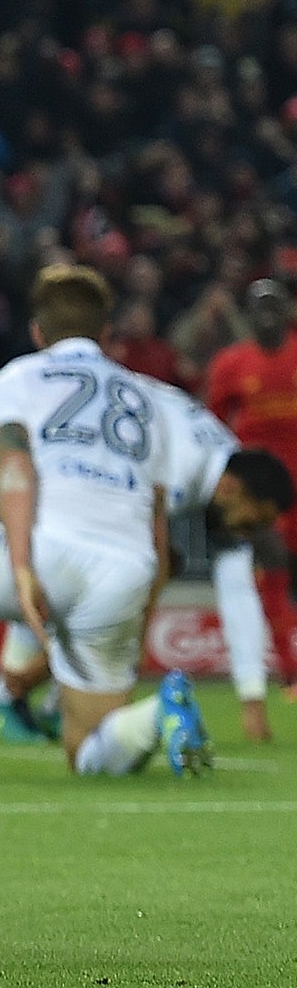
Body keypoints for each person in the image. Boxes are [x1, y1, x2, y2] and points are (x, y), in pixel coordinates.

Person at [0, 265, 210, 777]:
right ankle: (160, 713)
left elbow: (15, 467)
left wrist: (22, 568)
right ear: (107, 335)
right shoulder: (147, 399)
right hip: (124, 568)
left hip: (48, 550)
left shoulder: (16, 379)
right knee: (88, 754)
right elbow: (156, 513)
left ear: (37, 332)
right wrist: (144, 602)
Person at [0, 386, 295, 745]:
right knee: (79, 578)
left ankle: (52, 699)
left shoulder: (221, 462)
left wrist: (252, 700)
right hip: (41, 450)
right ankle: (8, 693)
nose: (249, 532)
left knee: (111, 588)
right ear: (231, 489)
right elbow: (141, 577)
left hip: (93, 456)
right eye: (251, 520)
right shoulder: (177, 470)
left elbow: (237, 590)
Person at [203, 278, 297, 692]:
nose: (265, 316)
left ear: (287, 311)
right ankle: (289, 668)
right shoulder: (231, 364)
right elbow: (212, 427)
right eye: (257, 307)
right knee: (273, 569)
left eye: (273, 306)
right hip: (262, 495)